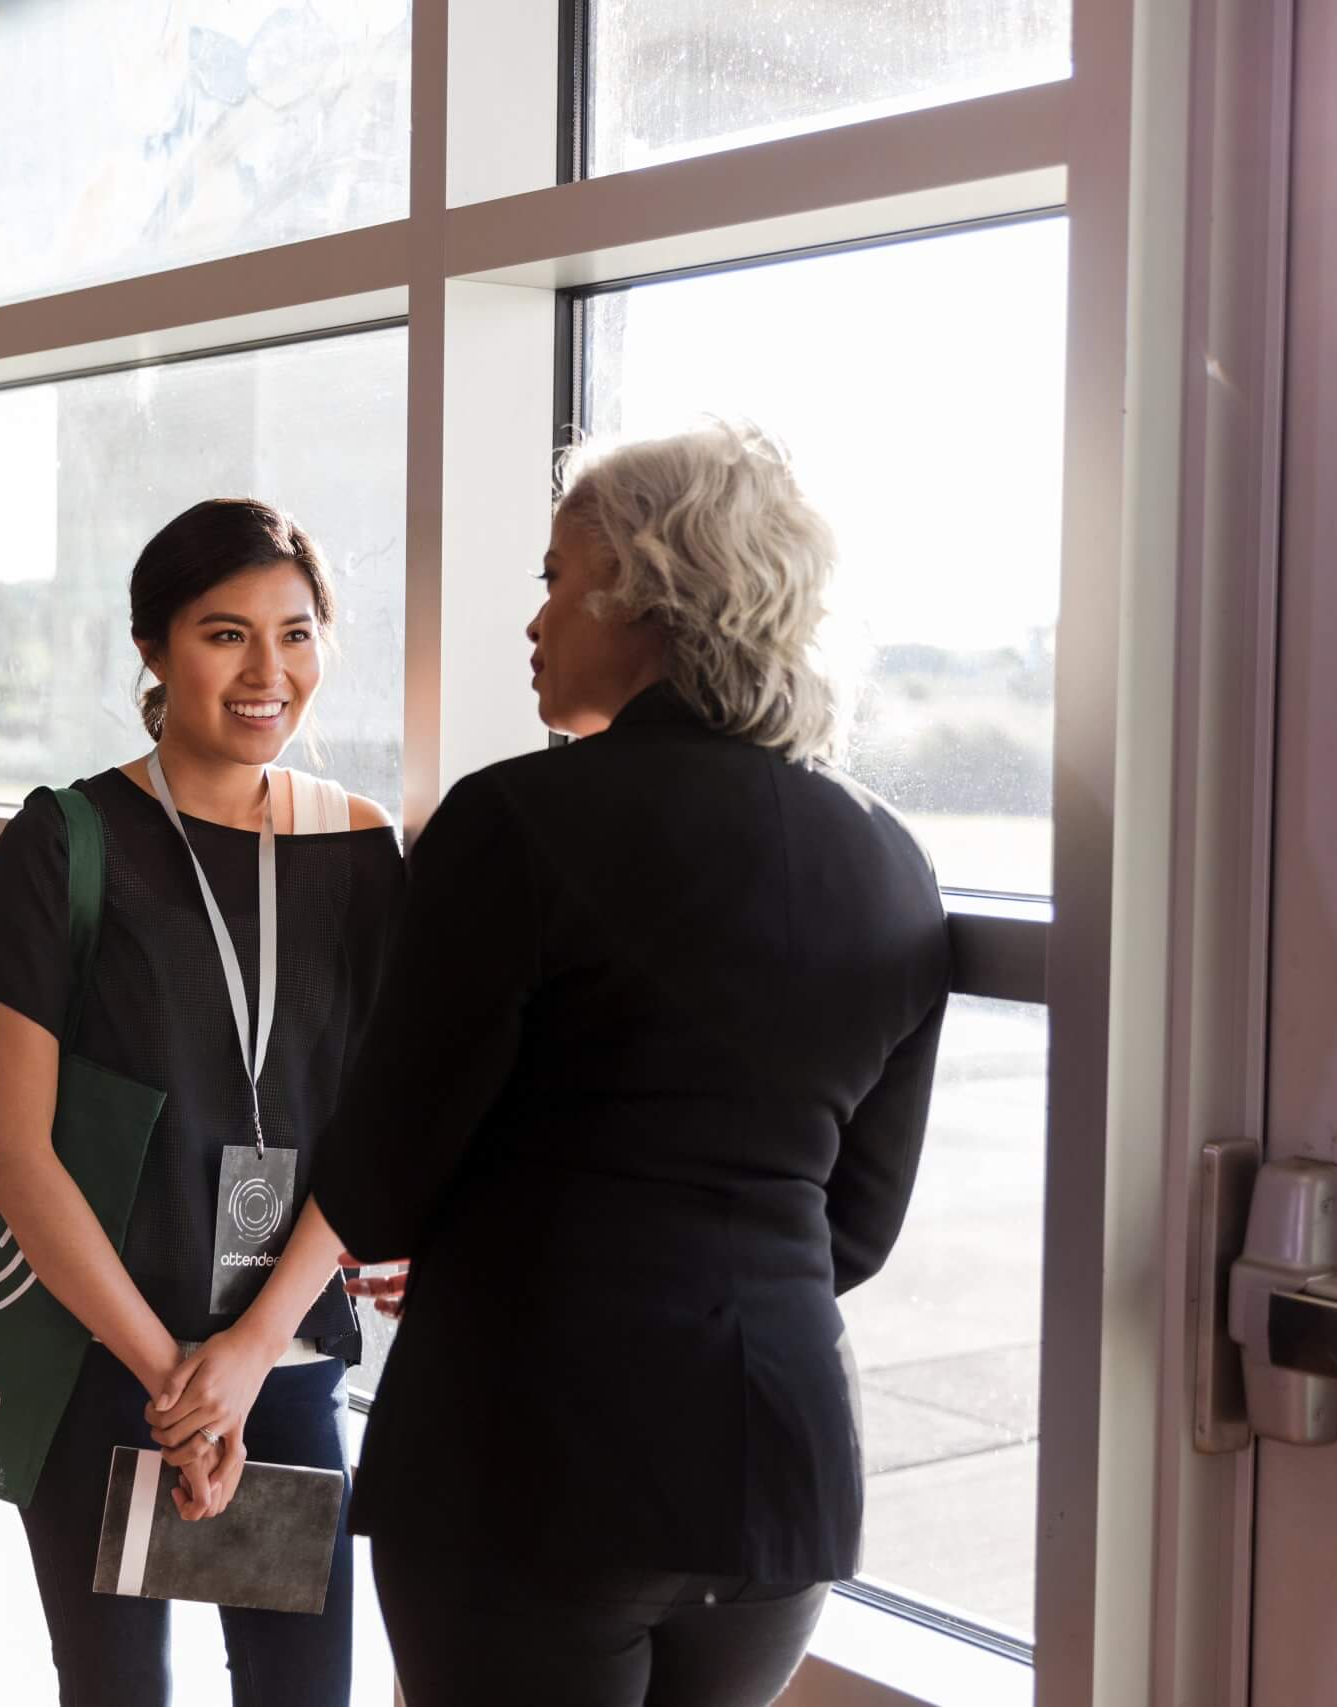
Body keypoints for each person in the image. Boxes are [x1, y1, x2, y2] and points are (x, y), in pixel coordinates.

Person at [316, 420, 952, 1707]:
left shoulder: (515, 823)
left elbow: (379, 1189)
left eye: (556, 576)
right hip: (774, 1473)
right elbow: (860, 1227)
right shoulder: (890, 860)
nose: (535, 619)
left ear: (643, 591)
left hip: (532, 1457)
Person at [0, 498, 401, 1706]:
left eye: (296, 634)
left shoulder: (359, 850)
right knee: (115, 1691)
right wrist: (171, 1381)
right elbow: (15, 1149)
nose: (269, 672)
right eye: (225, 633)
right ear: (152, 647)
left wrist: (244, 1362)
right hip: (98, 1356)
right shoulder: (67, 839)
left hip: (284, 1353)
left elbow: (372, 1130)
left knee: (301, 1692)